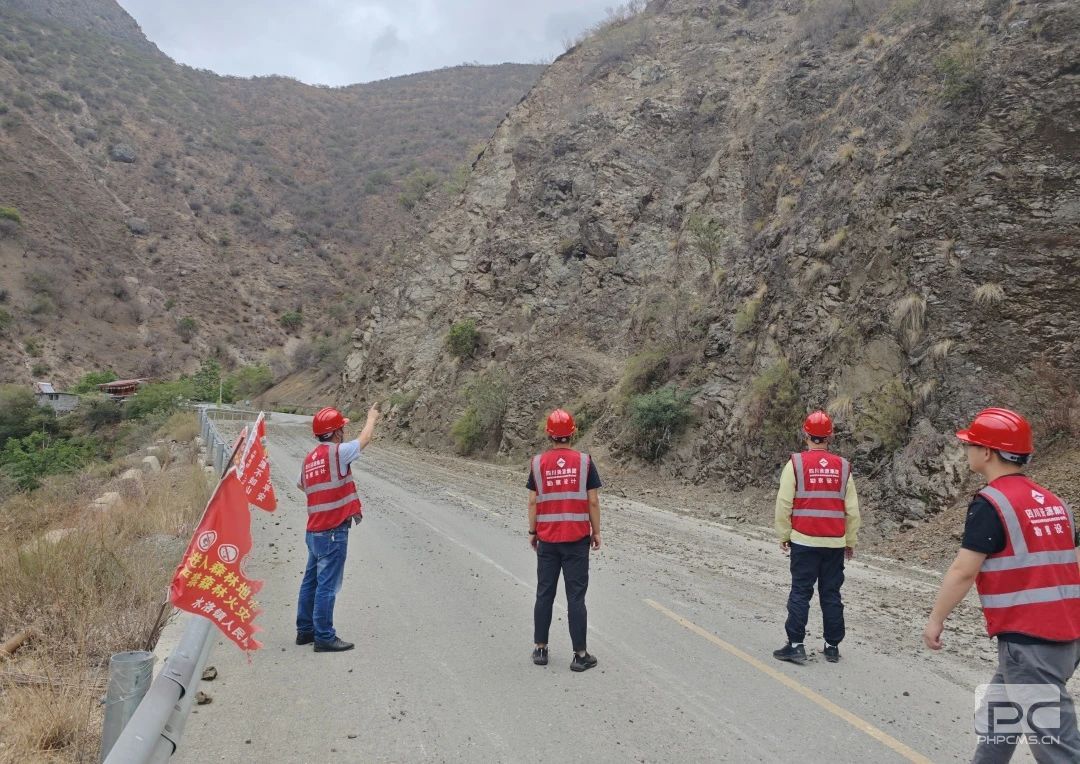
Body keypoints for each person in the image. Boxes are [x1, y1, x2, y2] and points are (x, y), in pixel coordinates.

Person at [923, 408, 1080, 762]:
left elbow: (963, 571)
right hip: (1064, 637)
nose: (967, 450)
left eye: (971, 444)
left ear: (988, 452)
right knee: (999, 722)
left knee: (1057, 747)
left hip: (1030, 644)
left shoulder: (991, 504)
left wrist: (935, 620)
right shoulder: (1056, 503)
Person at [773, 410, 860, 665]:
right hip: (834, 544)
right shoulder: (844, 467)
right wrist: (850, 541)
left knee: (801, 591)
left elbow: (784, 502)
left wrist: (784, 534)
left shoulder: (796, 464)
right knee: (831, 593)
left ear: (806, 434)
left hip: (804, 541)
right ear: (830, 437)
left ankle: (796, 645)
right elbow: (852, 511)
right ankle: (832, 647)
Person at [294, 404, 379, 653]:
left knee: (310, 582)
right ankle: (324, 636)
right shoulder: (338, 453)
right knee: (327, 586)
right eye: (342, 428)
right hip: (333, 532)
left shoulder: (309, 459)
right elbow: (364, 439)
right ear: (336, 432)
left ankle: (305, 631)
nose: (344, 431)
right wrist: (372, 418)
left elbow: (301, 485)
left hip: (314, 531)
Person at [528, 409, 602, 672]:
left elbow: (533, 501)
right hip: (576, 540)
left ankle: (540, 649)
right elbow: (593, 501)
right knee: (576, 598)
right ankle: (580, 656)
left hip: (548, 540)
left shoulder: (538, 463)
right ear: (573, 432)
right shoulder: (584, 462)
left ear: (548, 434)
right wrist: (596, 531)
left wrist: (533, 532)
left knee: (544, 593)